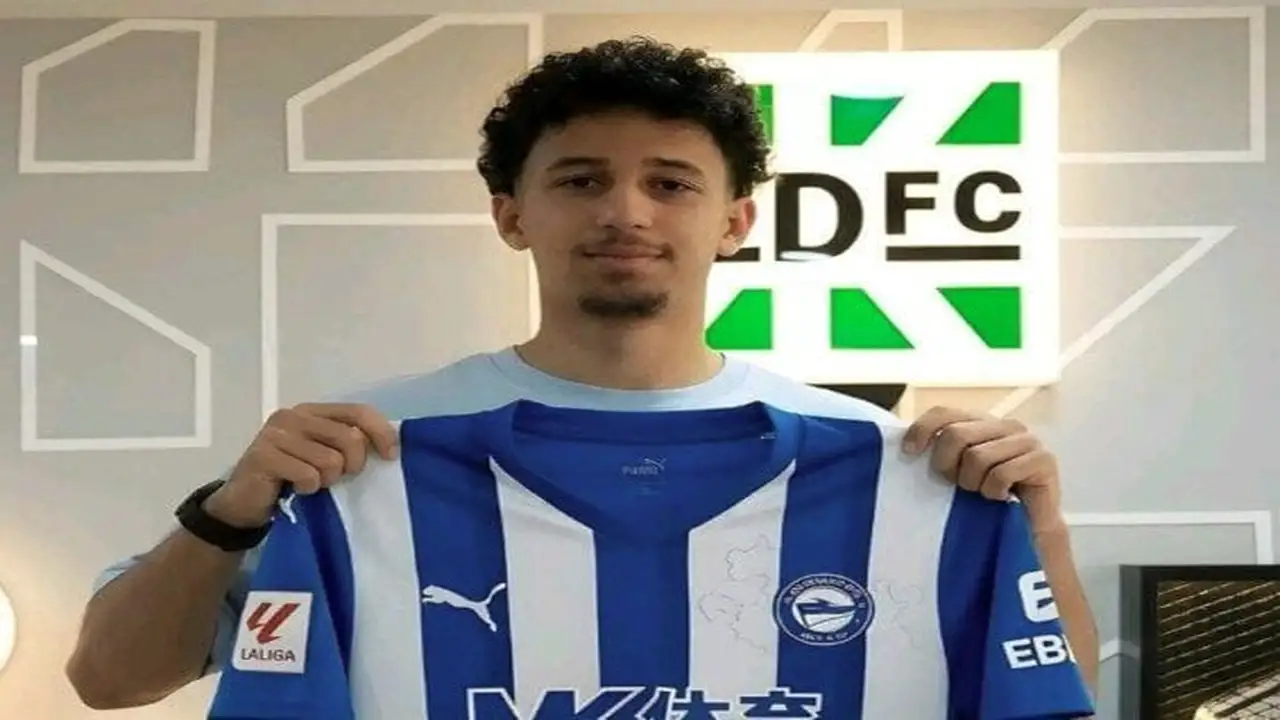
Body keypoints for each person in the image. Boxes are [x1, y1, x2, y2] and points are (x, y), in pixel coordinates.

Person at [65, 36, 1098, 712]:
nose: (625, 213)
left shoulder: (887, 463)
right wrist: (228, 514)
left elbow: (1057, 690)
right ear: (511, 214)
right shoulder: (359, 453)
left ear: (734, 221)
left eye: (671, 183)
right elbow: (108, 680)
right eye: (581, 179)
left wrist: (1035, 529)